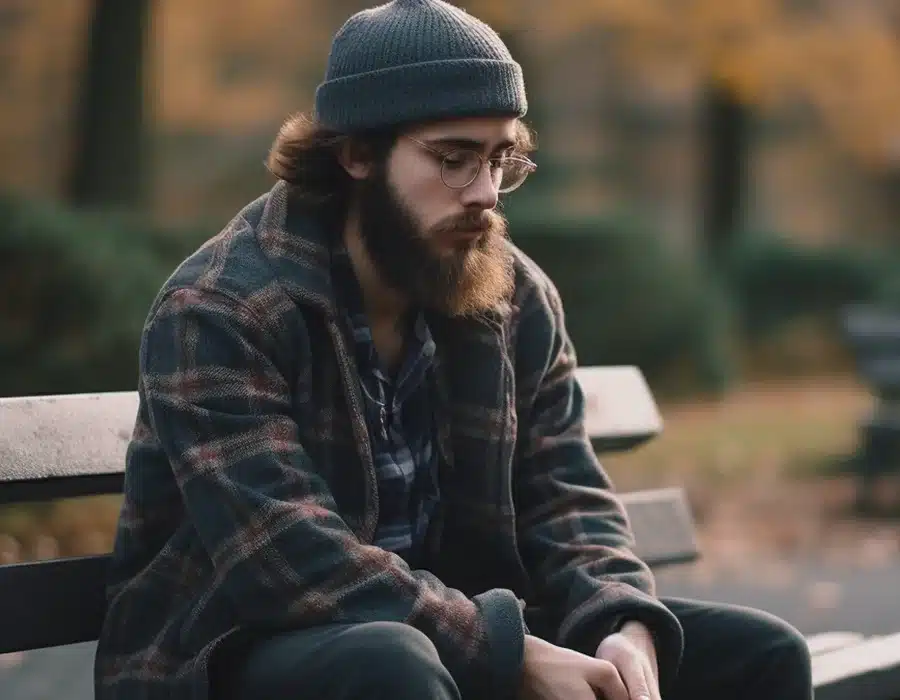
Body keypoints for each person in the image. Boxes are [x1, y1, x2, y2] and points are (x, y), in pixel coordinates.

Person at [93, 1, 814, 698]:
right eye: (454, 159)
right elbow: (289, 558)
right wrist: (510, 654)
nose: (486, 194)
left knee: (760, 656)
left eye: (502, 159)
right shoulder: (219, 310)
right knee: (391, 661)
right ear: (356, 155)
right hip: (239, 648)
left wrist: (620, 620)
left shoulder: (513, 295)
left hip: (454, 638)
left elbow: (566, 496)